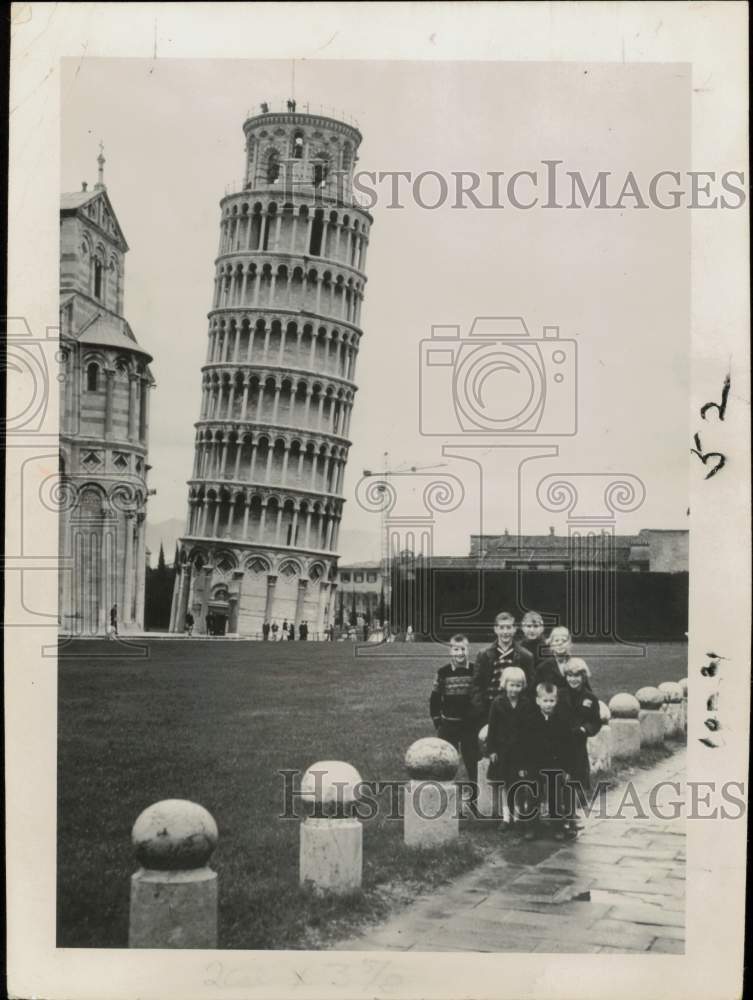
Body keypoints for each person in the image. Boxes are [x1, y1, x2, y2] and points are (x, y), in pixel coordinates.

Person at [521, 682, 576, 841]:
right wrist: (523, 765)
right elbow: (523, 744)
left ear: (556, 701)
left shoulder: (562, 720)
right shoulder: (530, 719)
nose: (548, 704)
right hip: (534, 764)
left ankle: (557, 827)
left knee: (555, 797)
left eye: (552, 701)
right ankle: (531, 827)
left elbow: (568, 747)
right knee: (533, 795)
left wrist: (568, 769)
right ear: (538, 701)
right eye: (545, 701)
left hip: (555, 765)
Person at [430, 634, 478, 813]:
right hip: (448, 726)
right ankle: (444, 800)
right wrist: (437, 721)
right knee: (445, 763)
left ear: (468, 649)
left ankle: (474, 801)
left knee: (472, 763)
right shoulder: (443, 672)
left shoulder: (474, 670)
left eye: (463, 649)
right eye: (456, 649)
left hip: (469, 726)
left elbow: (479, 697)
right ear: (451, 651)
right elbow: (434, 699)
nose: (460, 652)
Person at [487, 666, 534, 833]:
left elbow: (529, 730)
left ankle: (518, 816)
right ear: (504, 684)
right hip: (502, 751)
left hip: (520, 752)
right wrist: (492, 750)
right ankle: (506, 817)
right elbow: (492, 729)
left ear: (523, 686)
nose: (514, 689)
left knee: (520, 784)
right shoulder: (497, 703)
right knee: (505, 784)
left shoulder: (527, 704)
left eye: (518, 685)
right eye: (511, 685)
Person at [561, 658, 602, 799]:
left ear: (583, 677)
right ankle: (560, 810)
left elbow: (595, 721)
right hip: (561, 741)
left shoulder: (590, 698)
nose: (573, 679)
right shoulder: (560, 694)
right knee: (561, 775)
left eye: (577, 676)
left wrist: (585, 729)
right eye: (570, 676)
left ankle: (572, 811)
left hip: (578, 743)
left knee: (577, 775)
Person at [534, 625, 573, 690]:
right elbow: (534, 692)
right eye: (556, 640)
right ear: (551, 644)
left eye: (564, 641)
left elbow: (586, 690)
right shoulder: (543, 667)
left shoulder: (576, 664)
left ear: (569, 644)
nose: (560, 643)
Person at [518, 611, 547, 682]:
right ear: (522, 627)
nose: (532, 630)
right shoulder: (518, 647)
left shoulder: (547, 647)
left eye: (536, 626)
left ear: (542, 628)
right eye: (528, 626)